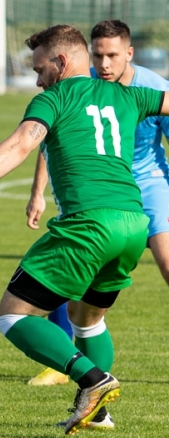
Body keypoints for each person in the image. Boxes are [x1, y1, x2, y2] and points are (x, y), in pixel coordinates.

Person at [0, 24, 169, 435]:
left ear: (61, 62)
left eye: (40, 69)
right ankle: (97, 412)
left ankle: (93, 380)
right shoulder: (129, 94)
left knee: (12, 316)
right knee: (87, 318)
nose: (37, 79)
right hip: (133, 224)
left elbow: (23, 142)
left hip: (88, 225)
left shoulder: (54, 98)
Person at [25, 20, 169, 408]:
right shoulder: (80, 85)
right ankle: (83, 387)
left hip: (146, 187)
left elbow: (30, 136)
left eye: (112, 55)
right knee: (79, 302)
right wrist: (38, 191)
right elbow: (47, 142)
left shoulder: (149, 88)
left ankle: (86, 373)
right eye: (98, 55)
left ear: (130, 54)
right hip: (105, 196)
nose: (104, 64)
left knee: (16, 312)